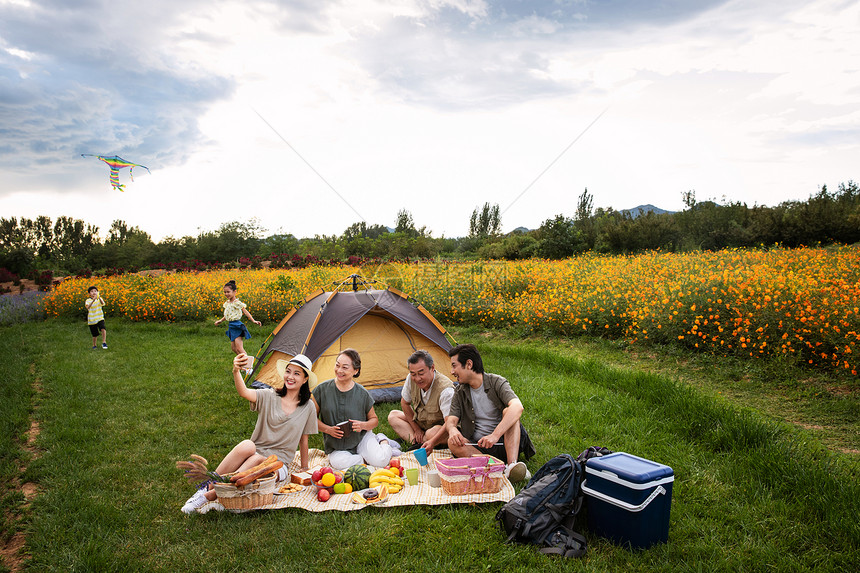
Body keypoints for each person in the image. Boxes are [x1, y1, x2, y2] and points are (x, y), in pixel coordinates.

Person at [181, 353, 319, 513]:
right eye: (288, 371)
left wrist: (304, 467)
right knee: (248, 445)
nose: (290, 376)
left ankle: (212, 495)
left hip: (279, 464)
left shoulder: (308, 407)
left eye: (297, 373)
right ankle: (205, 488)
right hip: (256, 451)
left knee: (257, 458)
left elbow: (304, 438)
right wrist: (235, 371)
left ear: (304, 380)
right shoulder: (270, 395)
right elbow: (244, 392)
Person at [444, 343, 536, 483]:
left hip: (504, 443)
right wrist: (452, 430)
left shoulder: (496, 382)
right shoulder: (460, 391)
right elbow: (451, 419)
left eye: (454, 365)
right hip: (478, 448)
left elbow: (517, 406)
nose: (452, 371)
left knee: (509, 411)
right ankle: (494, 466)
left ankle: (512, 465)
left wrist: (494, 435)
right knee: (452, 443)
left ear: (469, 364)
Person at [312, 348, 400, 470]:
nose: (339, 370)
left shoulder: (362, 393)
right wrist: (328, 430)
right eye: (337, 365)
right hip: (337, 445)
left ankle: (383, 441)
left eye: (345, 367)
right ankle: (364, 459)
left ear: (355, 370)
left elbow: (374, 420)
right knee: (338, 464)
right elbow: (311, 419)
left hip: (361, 438)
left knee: (381, 461)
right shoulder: (321, 390)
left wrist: (363, 425)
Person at [387, 349, 455, 451]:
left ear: (432, 368)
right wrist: (416, 429)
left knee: (431, 433)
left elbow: (450, 423)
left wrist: (431, 440)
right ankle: (419, 442)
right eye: (413, 374)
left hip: (441, 429)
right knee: (393, 415)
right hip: (422, 423)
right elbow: (405, 403)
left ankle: (421, 443)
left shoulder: (446, 390)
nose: (417, 378)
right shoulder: (410, 379)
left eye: (421, 373)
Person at [214, 279, 261, 359]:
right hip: (231, 326)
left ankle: (249, 366)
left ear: (234, 292)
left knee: (239, 348)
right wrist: (220, 321)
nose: (226, 294)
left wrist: (253, 321)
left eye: (228, 292)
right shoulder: (228, 303)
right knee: (234, 349)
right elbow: (228, 315)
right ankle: (243, 362)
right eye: (225, 292)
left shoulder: (237, 303)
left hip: (237, 326)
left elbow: (245, 312)